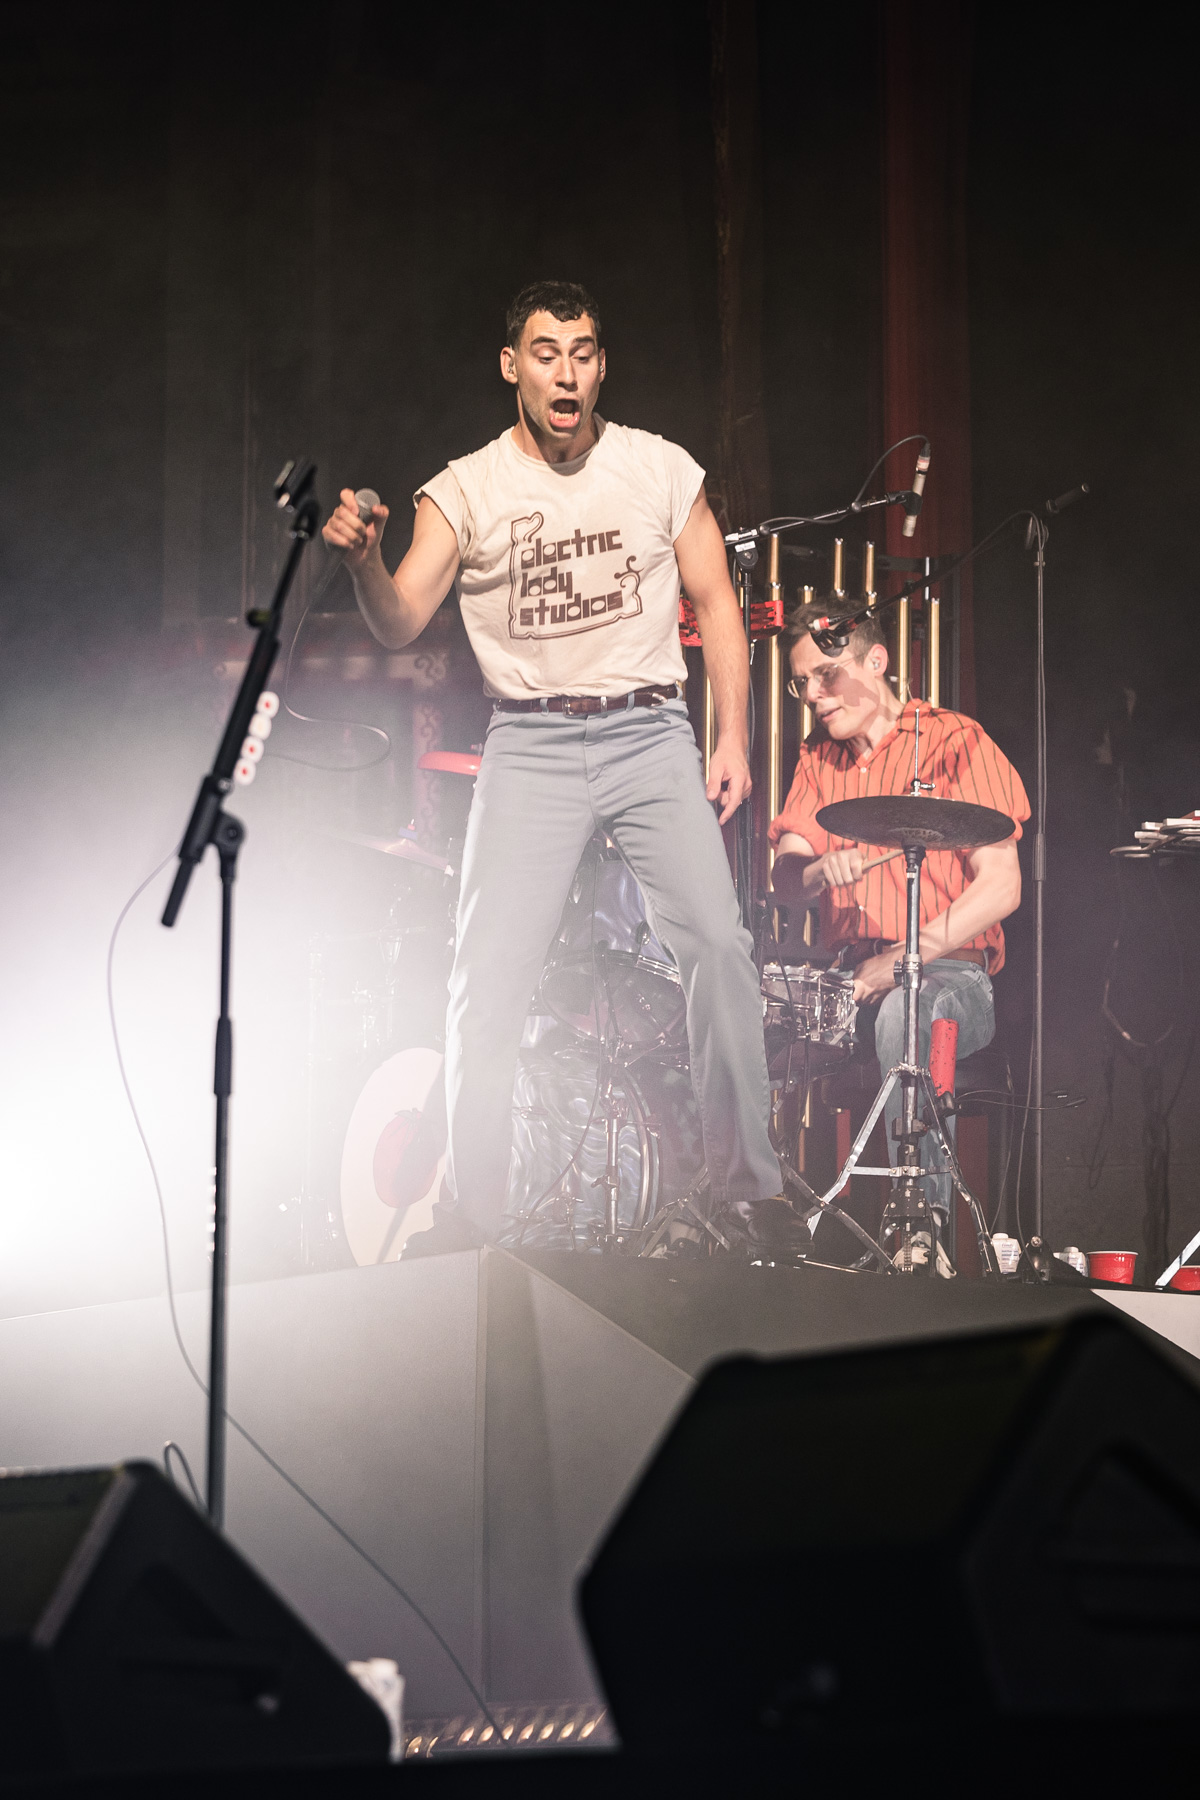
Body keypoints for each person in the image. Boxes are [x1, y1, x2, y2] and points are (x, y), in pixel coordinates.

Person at [322, 280, 795, 1253]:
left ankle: (748, 1190)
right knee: (485, 982)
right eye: (546, 352)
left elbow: (718, 600)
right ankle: (475, 1216)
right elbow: (402, 616)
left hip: (648, 731)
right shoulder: (466, 488)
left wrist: (735, 737)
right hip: (530, 744)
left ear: (601, 365)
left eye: (582, 351)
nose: (566, 370)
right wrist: (364, 562)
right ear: (513, 367)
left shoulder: (659, 468)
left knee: (715, 941)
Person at [769, 602, 1029, 1254]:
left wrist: (904, 960)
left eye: (826, 676)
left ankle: (921, 1232)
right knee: (733, 1008)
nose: (814, 697)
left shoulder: (955, 741)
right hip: (847, 977)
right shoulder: (818, 759)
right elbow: (783, 875)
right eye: (801, 683)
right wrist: (814, 870)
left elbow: (1002, 886)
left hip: (951, 976)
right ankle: (753, 1225)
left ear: (875, 660)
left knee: (903, 1015)